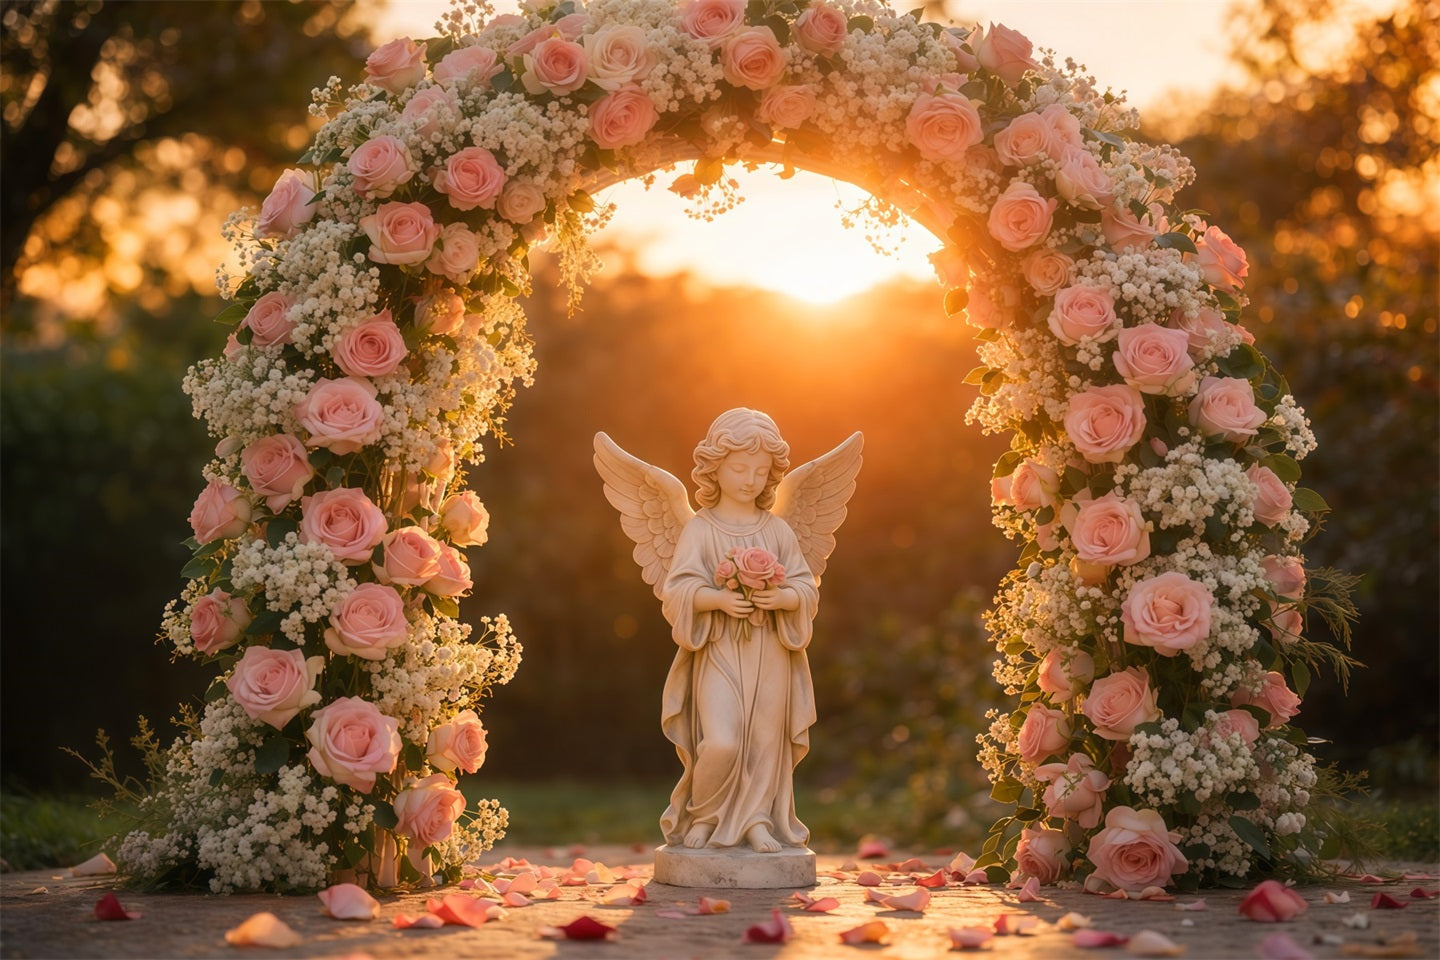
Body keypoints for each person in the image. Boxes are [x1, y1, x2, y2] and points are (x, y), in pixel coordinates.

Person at [657, 408, 819, 853]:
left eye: (761, 470)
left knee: (765, 741)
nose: (751, 479)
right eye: (740, 468)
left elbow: (805, 585)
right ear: (716, 466)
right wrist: (716, 598)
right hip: (719, 650)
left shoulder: (778, 530)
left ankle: (756, 821)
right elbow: (678, 590)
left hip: (770, 651)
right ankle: (704, 815)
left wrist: (785, 598)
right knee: (724, 741)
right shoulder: (700, 529)